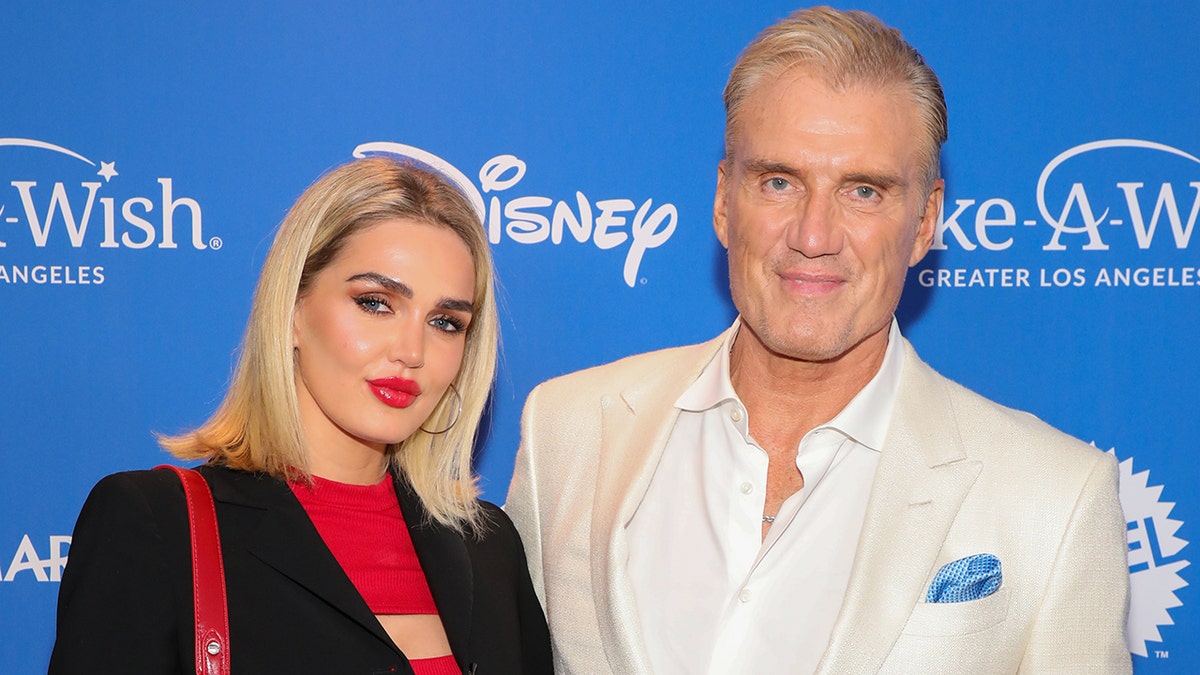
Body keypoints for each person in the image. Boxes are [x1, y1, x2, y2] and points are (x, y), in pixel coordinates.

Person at [505, 7, 1130, 674]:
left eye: (863, 191)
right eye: (779, 181)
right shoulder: (565, 431)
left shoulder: (1053, 498)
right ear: (723, 200)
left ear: (925, 221)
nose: (812, 233)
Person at [51, 157, 553, 674]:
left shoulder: (489, 548)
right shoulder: (154, 525)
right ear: (293, 309)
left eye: (446, 321)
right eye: (376, 303)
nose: (412, 351)